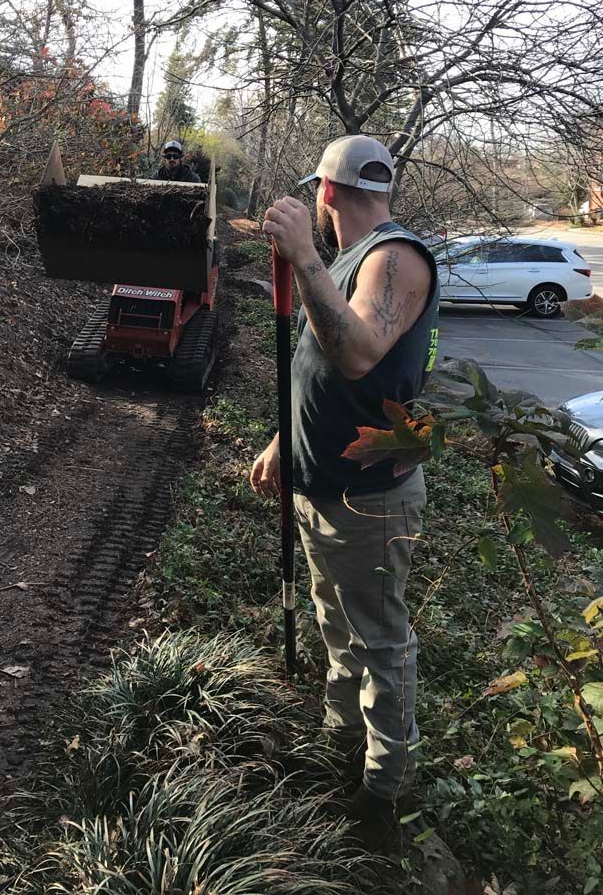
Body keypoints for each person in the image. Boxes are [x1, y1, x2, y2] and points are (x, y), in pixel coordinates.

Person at [250, 134, 439, 850]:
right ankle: (339, 739)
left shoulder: (396, 259)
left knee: (380, 642)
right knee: (338, 621)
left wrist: (302, 256)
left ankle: (382, 793)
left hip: (370, 498)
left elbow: (358, 353)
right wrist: (285, 440)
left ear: (325, 194)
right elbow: (319, 364)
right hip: (324, 483)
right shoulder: (352, 262)